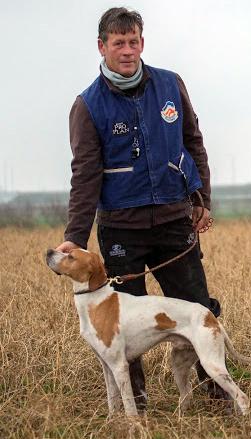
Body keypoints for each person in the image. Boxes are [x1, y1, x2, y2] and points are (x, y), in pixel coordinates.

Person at [57, 7, 227, 411]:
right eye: (119, 43)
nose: (128, 50)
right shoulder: (88, 106)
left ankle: (218, 393)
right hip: (121, 232)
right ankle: (137, 401)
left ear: (142, 44)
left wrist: (202, 199)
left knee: (198, 307)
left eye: (134, 42)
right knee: (121, 324)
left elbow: (193, 142)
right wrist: (74, 238)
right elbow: (84, 177)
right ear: (102, 47)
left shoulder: (170, 85)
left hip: (173, 222)